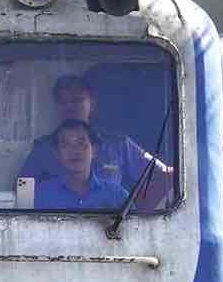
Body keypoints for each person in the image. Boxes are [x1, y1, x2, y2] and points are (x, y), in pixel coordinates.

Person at [33, 72, 172, 193]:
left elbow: (164, 176)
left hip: (109, 221)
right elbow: (22, 190)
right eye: (63, 102)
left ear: (92, 104)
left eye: (77, 100)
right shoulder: (43, 149)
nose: (70, 106)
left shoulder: (120, 145)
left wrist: (144, 211)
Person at [18, 118, 126, 210]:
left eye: (81, 143)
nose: (75, 151)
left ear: (94, 151)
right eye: (66, 145)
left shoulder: (117, 196)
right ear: (57, 155)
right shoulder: (41, 194)